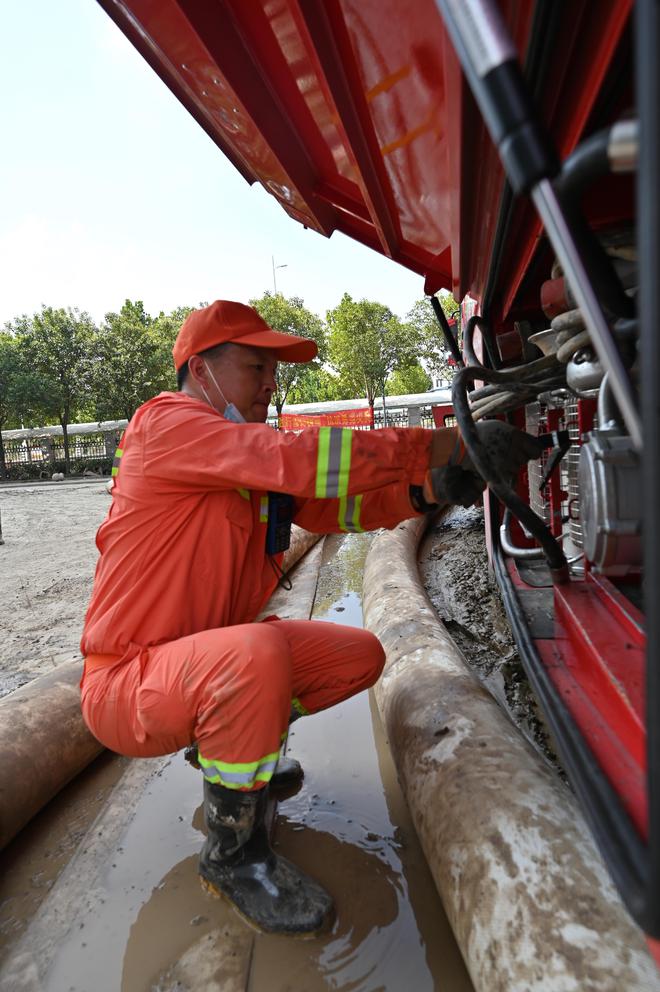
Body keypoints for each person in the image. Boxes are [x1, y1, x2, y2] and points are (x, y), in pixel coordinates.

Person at [79, 299, 540, 936]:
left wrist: (431, 489)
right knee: (256, 655)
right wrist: (443, 443)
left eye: (273, 370)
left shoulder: (240, 465)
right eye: (254, 366)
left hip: (194, 663)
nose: (270, 383)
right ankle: (234, 855)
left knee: (359, 656)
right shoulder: (168, 424)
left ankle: (236, 755)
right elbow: (296, 459)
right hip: (127, 683)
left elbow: (334, 513)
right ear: (200, 369)